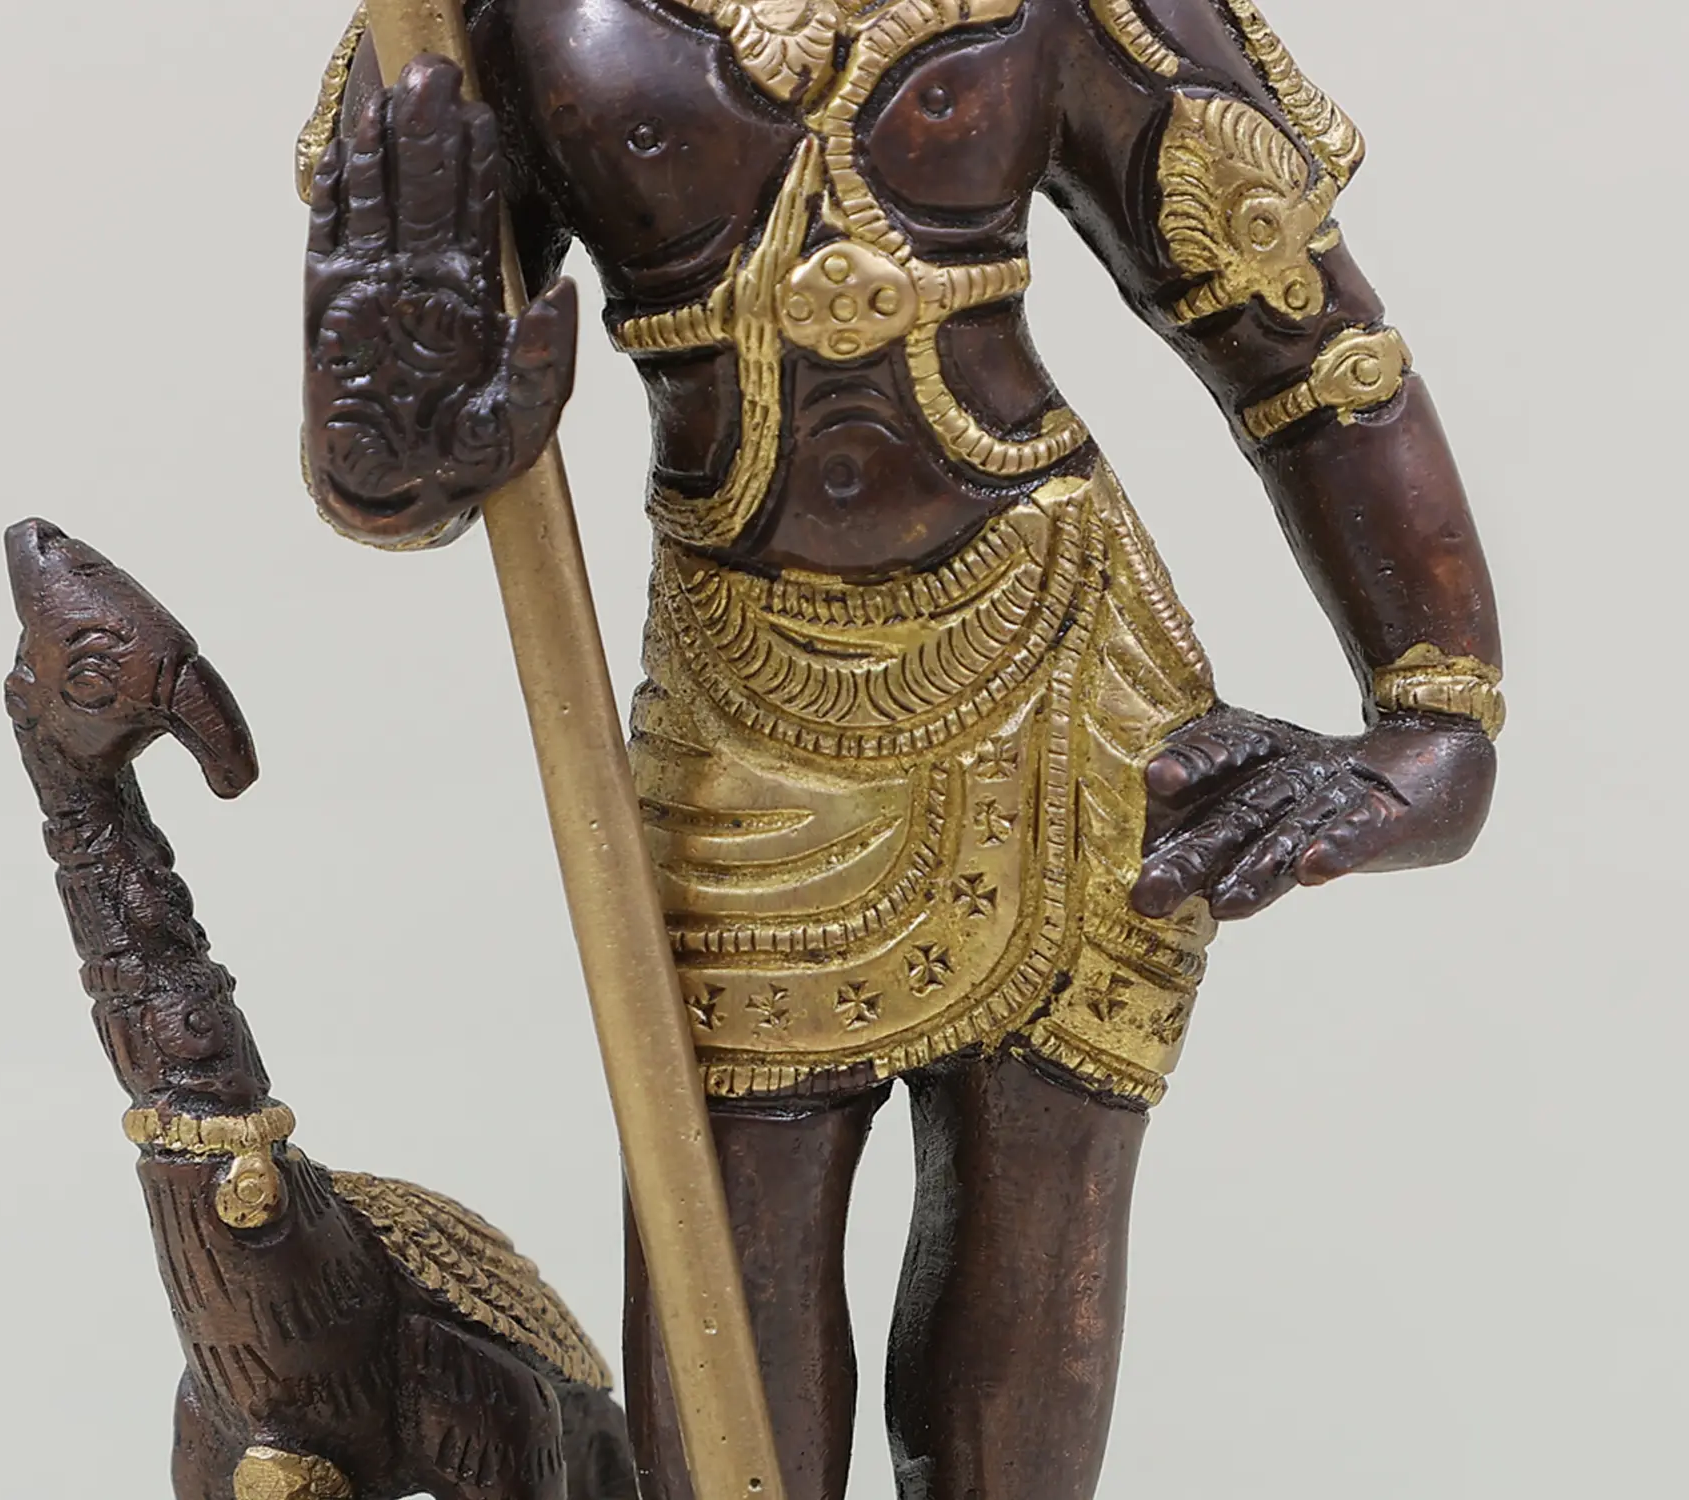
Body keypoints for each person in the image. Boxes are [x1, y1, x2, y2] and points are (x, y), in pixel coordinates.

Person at [296, 2, 1503, 1495]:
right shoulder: (491, 22)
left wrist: (1436, 710)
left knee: (1028, 1296)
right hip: (743, 707)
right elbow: (390, 453)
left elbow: (1310, 344)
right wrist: (394, 442)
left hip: (1063, 670)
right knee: (722, 1283)